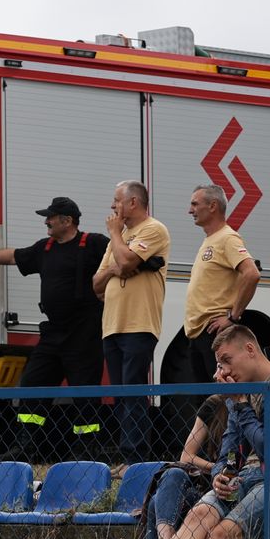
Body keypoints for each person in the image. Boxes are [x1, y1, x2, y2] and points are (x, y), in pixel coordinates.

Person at [152, 326, 270, 539]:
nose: (223, 371)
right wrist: (220, 473)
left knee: (223, 533)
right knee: (200, 513)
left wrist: (242, 405)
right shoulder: (239, 395)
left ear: (250, 349)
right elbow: (229, 452)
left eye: (226, 360)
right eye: (220, 364)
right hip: (244, 478)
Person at [0, 197, 109, 454]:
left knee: (85, 393)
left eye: (50, 218)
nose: (46, 222)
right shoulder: (45, 248)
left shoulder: (94, 243)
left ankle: (87, 450)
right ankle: (26, 445)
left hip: (84, 333)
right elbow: (12, 256)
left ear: (67, 221)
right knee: (33, 383)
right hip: (54, 333)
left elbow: (122, 259)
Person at [91, 181, 172, 459]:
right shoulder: (121, 237)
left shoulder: (153, 229)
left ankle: (135, 459)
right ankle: (128, 456)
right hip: (112, 326)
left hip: (139, 325)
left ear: (133, 202)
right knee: (120, 395)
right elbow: (96, 284)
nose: (112, 206)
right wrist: (113, 268)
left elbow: (126, 262)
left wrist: (115, 236)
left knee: (134, 393)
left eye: (117, 200)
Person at [167, 185, 260, 400]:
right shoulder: (211, 239)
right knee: (208, 401)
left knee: (223, 399)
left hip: (214, 333)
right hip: (199, 333)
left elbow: (251, 273)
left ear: (213, 206)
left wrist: (232, 317)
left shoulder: (227, 238)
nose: (190, 210)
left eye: (194, 204)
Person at [141, 394, 232, 539]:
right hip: (201, 488)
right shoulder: (214, 404)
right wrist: (216, 468)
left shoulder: (252, 407)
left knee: (155, 502)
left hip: (223, 494)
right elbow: (187, 456)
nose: (219, 378)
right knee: (174, 473)